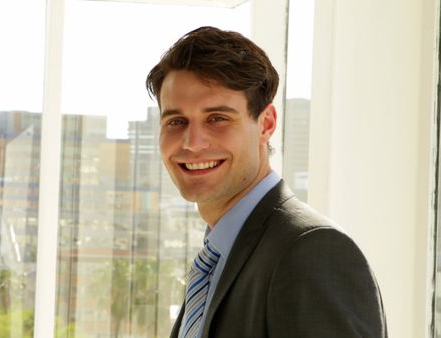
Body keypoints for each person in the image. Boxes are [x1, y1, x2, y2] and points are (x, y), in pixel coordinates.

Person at [146, 26, 387, 338]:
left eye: (217, 118)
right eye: (176, 121)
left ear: (266, 124)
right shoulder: (221, 256)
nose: (192, 143)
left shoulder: (312, 252)